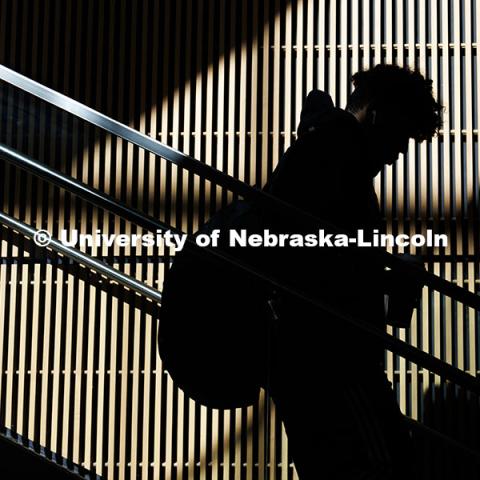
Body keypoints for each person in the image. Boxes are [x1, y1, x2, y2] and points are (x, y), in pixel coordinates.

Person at [256, 64, 443, 479]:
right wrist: (392, 277)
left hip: (312, 354)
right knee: (384, 466)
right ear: (377, 113)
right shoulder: (335, 159)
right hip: (332, 357)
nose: (398, 153)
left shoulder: (323, 151)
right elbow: (315, 261)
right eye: (402, 135)